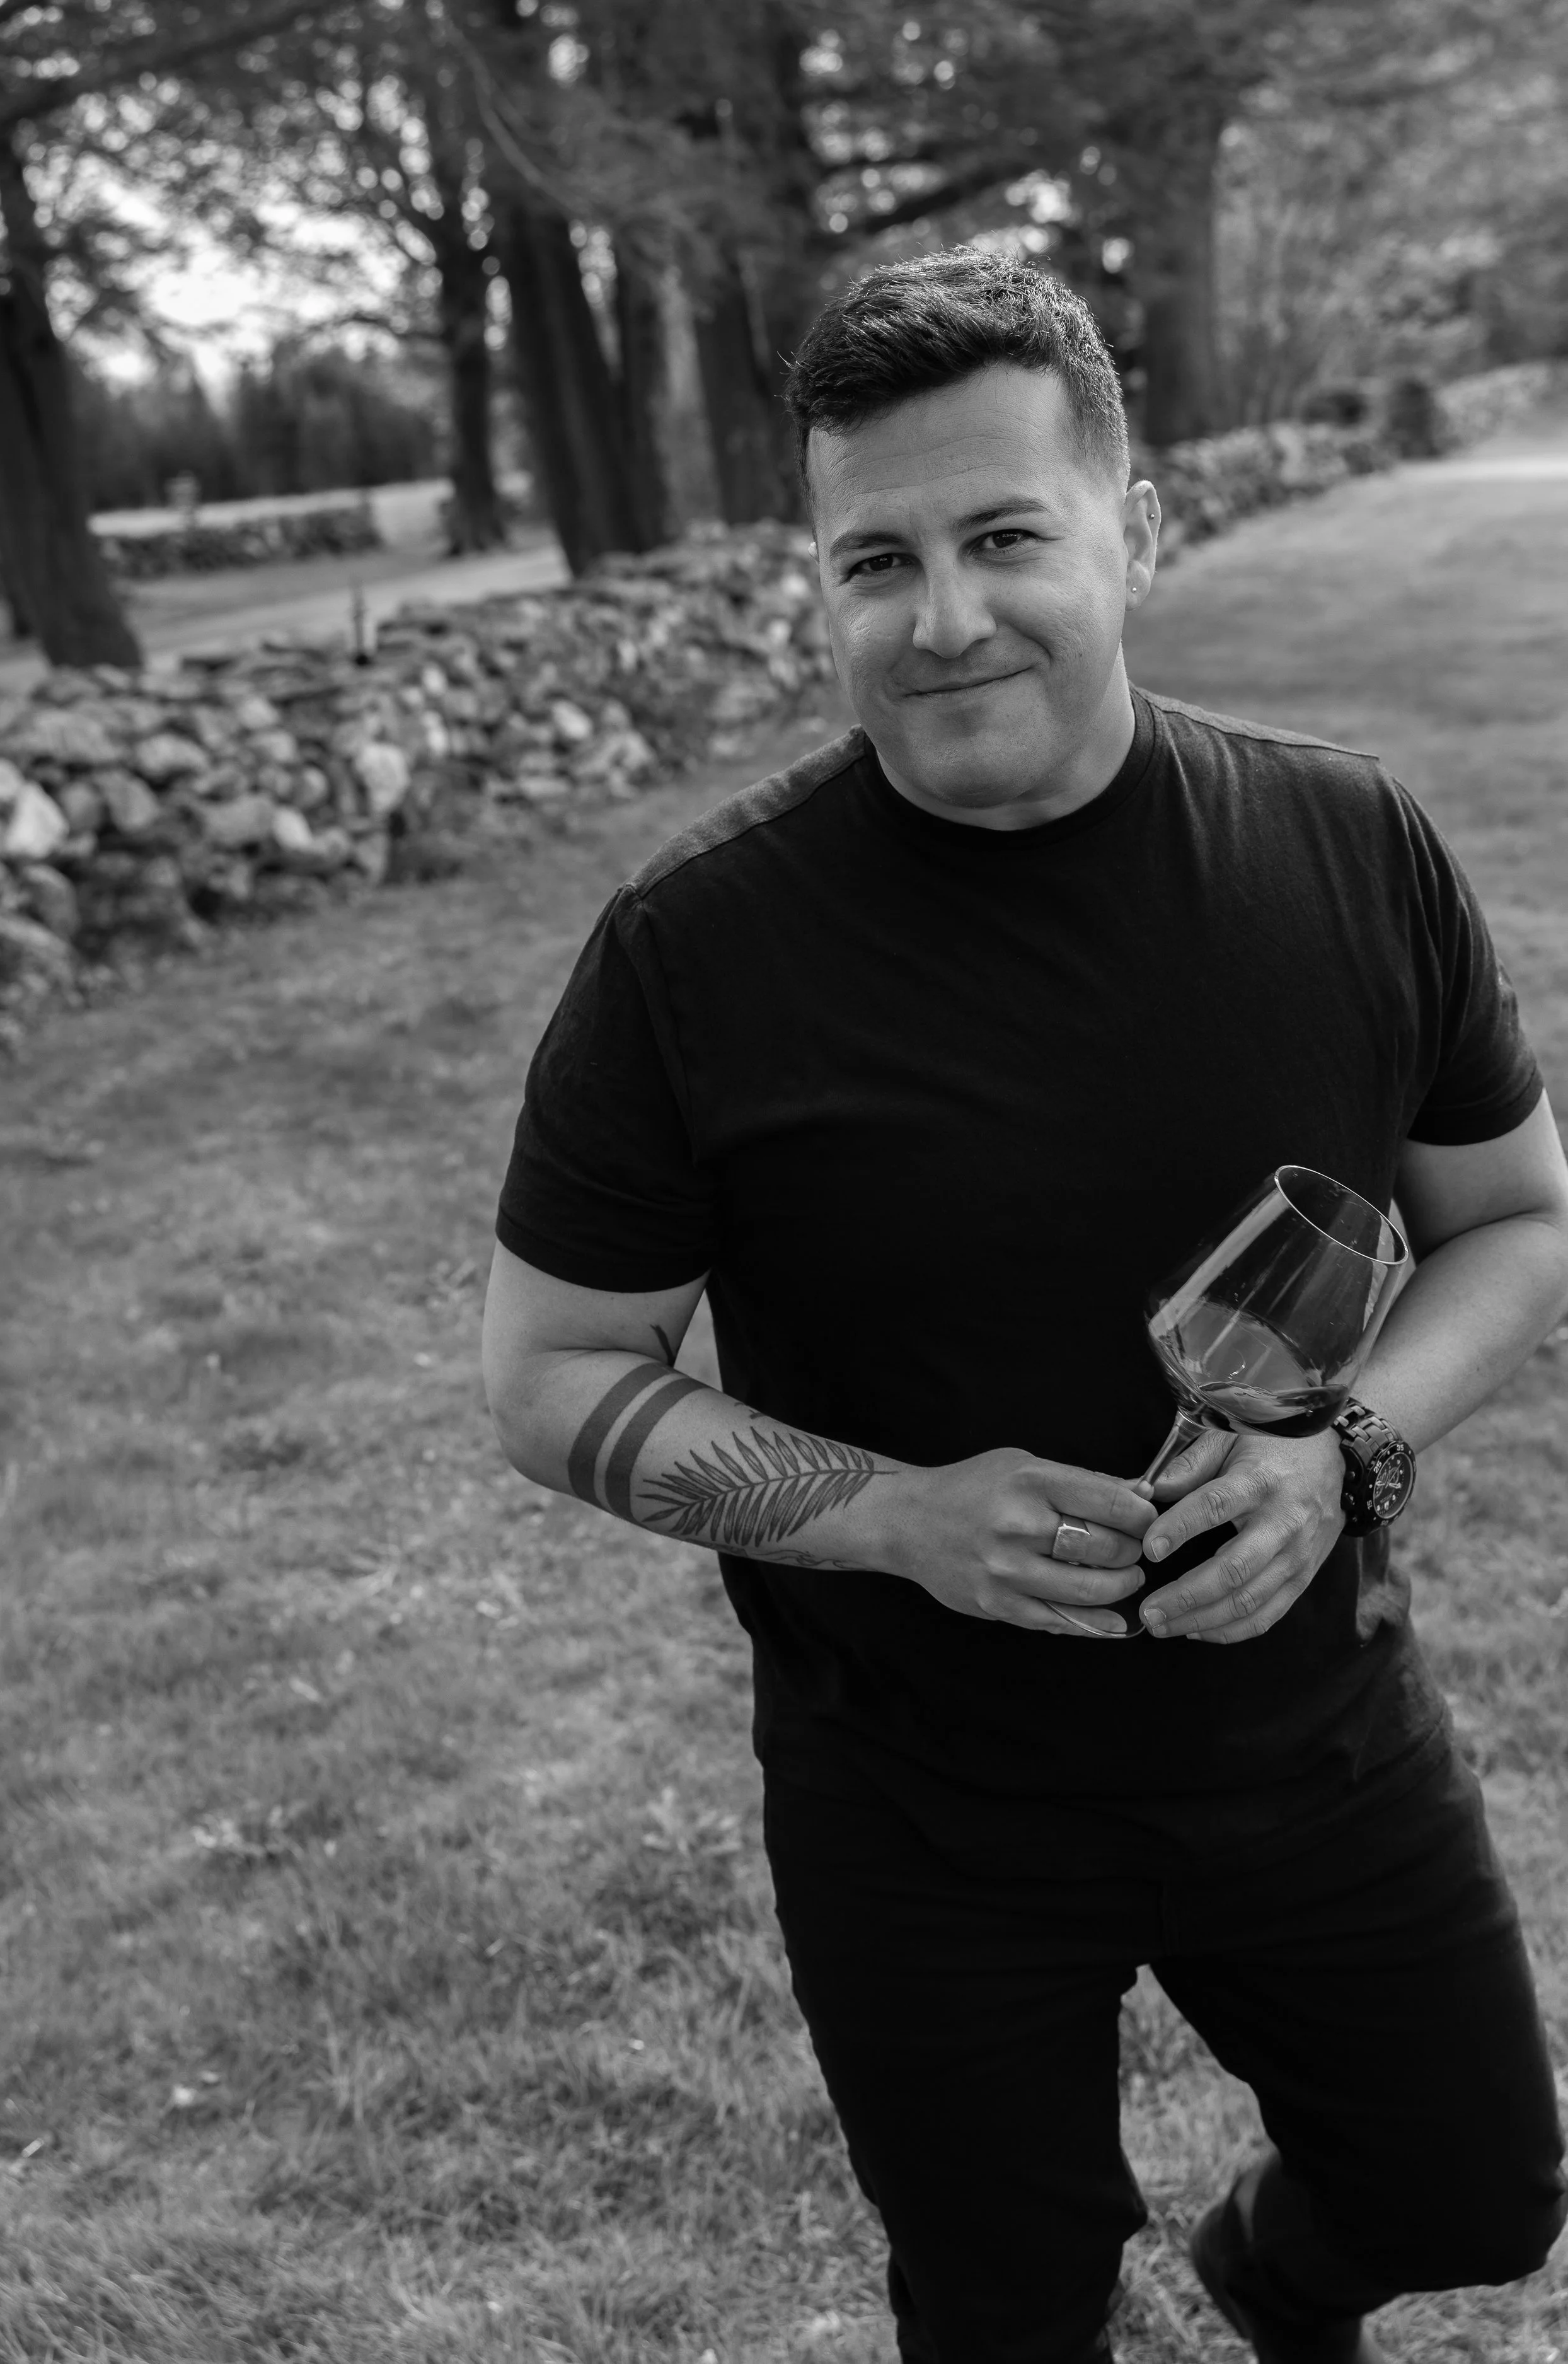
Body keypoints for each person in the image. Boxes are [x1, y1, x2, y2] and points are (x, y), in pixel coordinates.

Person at [481, 248, 1568, 2363]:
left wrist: (1344, 1454)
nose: (942, 619)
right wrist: (892, 1513)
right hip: (920, 1801)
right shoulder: (693, 955)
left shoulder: (1349, 847)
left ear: (1130, 531)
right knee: (1002, 2310)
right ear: (818, 585)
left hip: (1312, 1736)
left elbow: (1516, 1219)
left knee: (1471, 2187)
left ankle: (1267, 2274)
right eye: (873, 560)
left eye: (1003, 537)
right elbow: (547, 1377)